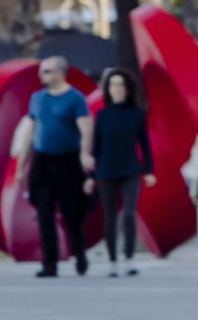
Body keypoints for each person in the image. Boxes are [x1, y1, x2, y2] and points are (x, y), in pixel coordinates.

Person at [13, 56, 94, 277]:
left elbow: (86, 129)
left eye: (46, 71)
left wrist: (85, 154)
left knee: (71, 213)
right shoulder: (37, 99)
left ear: (60, 72)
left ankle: (80, 253)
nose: (41, 76)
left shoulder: (75, 98)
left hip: (68, 160)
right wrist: (21, 167)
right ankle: (50, 263)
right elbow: (29, 132)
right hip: (42, 161)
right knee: (44, 213)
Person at [84, 67, 154, 278]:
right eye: (113, 84)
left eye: (121, 84)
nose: (117, 88)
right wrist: (90, 176)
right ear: (108, 89)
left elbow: (146, 145)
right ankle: (113, 261)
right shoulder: (102, 115)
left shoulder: (137, 114)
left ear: (127, 88)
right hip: (106, 171)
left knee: (130, 214)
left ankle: (129, 260)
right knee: (111, 216)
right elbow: (95, 148)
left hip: (131, 170)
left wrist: (149, 171)